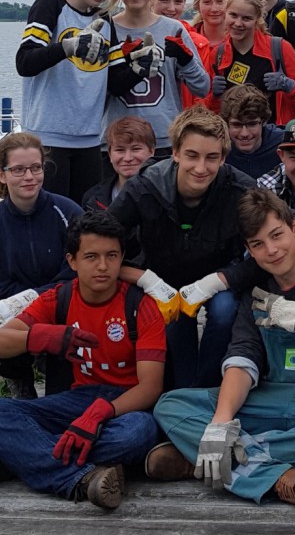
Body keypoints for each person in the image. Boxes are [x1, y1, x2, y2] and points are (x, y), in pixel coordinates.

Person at [145, 189, 295, 514]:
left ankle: (205, 463)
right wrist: (220, 424)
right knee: (171, 405)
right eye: (258, 244)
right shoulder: (256, 291)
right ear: (249, 251)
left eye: (277, 235)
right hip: (274, 399)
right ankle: (280, 477)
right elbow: (242, 361)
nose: (271, 250)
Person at [0, 211, 166, 510]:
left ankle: (20, 457)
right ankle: (82, 479)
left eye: (112, 255)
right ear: (72, 261)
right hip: (76, 400)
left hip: (124, 406)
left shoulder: (140, 305)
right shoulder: (58, 298)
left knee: (139, 432)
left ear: (122, 257)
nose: (103, 266)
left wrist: (102, 412)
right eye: (91, 257)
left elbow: (150, 387)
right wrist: (46, 337)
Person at [107, 106, 255, 390]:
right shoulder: (143, 188)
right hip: (163, 280)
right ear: (175, 152)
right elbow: (96, 242)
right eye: (192, 155)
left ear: (224, 158)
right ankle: (183, 391)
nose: (201, 168)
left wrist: (218, 281)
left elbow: (269, 252)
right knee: (174, 323)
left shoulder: (242, 191)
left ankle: (209, 387)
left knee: (224, 311)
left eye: (212, 158)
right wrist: (146, 280)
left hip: (221, 276)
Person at [15, 0, 141, 203]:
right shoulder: (51, 5)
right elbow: (25, 62)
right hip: (48, 139)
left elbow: (116, 83)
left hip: (89, 141)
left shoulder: (104, 20)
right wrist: (69, 46)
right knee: (53, 221)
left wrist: (141, 68)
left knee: (86, 223)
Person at [0, 133, 83, 399]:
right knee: (2, 333)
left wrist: (37, 298)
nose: (29, 176)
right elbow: (0, 290)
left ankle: (54, 370)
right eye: (18, 170)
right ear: (2, 174)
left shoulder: (68, 212)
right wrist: (31, 312)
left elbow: (76, 274)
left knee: (61, 389)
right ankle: (19, 382)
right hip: (19, 312)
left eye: (35, 167)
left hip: (66, 309)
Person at [106, 0, 210, 157]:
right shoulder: (106, 28)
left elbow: (203, 87)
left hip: (163, 138)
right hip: (117, 142)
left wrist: (185, 60)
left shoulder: (173, 28)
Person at [211, 0, 295, 124]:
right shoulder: (218, 54)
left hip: (274, 137)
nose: (238, 23)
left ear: (257, 19)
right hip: (234, 138)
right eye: (233, 15)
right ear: (225, 14)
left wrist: (289, 86)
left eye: (247, 18)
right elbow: (211, 113)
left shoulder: (279, 48)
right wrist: (214, 97)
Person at [153, 0, 211, 108]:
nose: (171, 8)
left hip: (177, 122)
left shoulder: (196, 42)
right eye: (163, 0)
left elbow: (202, 90)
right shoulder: (129, 32)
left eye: (178, 1)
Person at [83, 117, 156, 212]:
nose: (128, 158)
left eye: (136, 149)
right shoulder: (92, 198)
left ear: (152, 151)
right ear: (109, 154)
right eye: (120, 150)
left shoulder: (168, 194)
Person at [220, 84, 284, 180]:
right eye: (236, 125)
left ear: (263, 121)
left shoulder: (283, 142)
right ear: (226, 124)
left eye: (251, 124)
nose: (244, 134)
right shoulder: (218, 147)